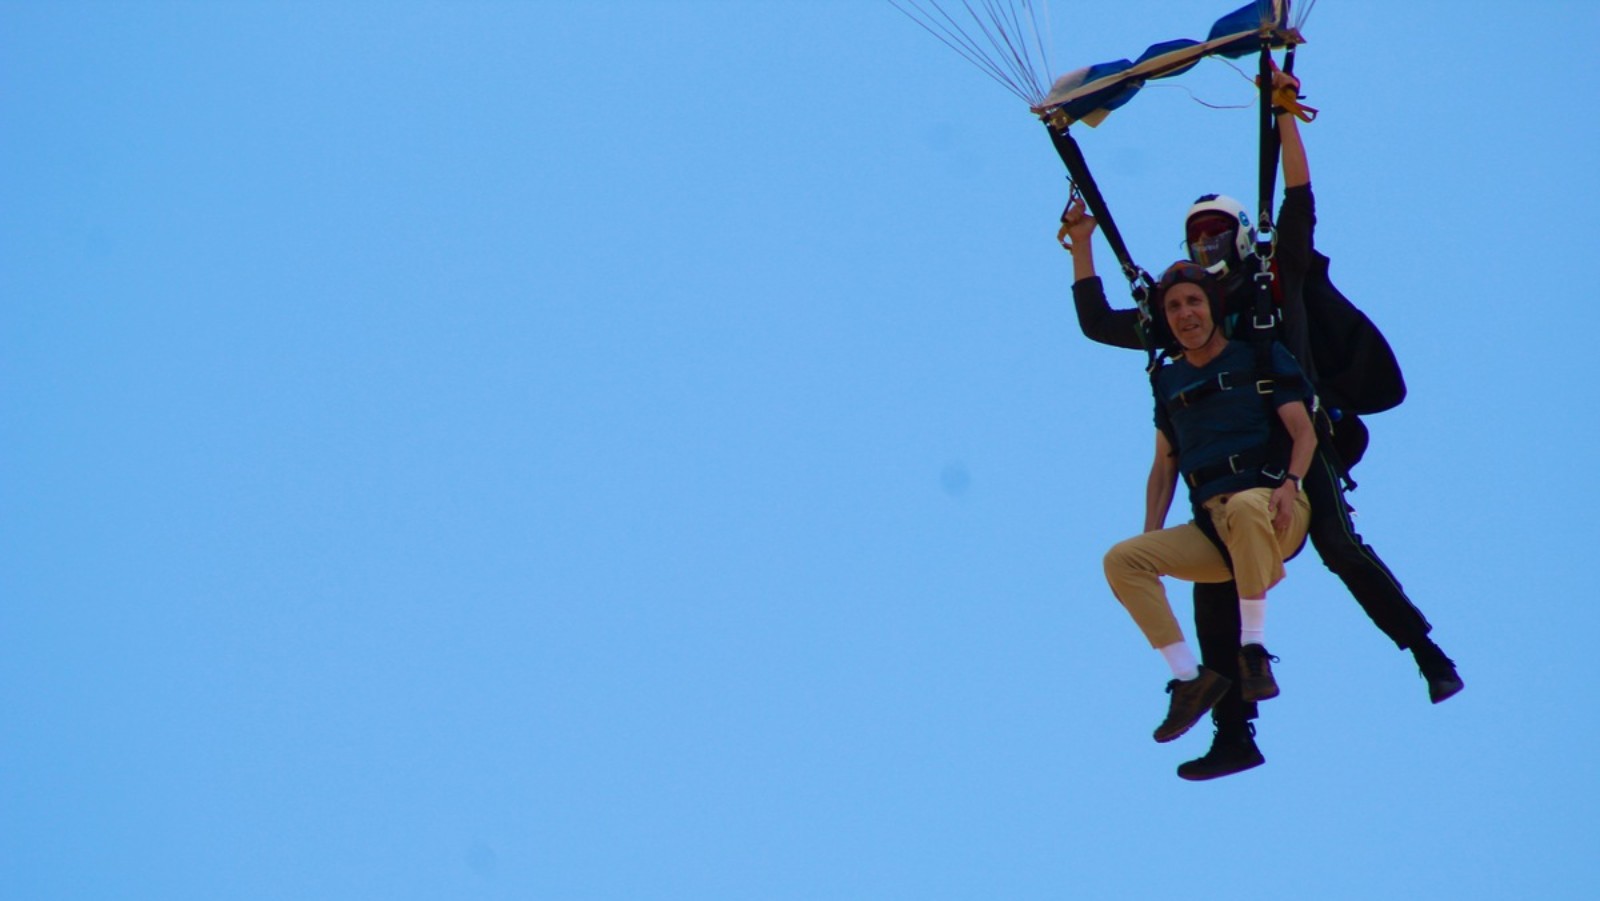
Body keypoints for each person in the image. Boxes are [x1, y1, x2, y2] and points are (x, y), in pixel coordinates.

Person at [1063, 66, 1462, 780]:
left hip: (1301, 444)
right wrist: (1083, 243)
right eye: (1197, 239)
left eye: (1219, 235)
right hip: (1226, 472)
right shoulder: (1185, 314)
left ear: (1241, 238)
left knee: (1341, 548)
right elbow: (1099, 322)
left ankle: (1427, 653)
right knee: (1209, 590)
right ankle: (1234, 733)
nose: (1210, 251)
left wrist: (1282, 114)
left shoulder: (1274, 285)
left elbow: (1301, 204)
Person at [1103, 261, 1317, 745]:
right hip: (1214, 529)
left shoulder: (1258, 358)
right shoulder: (1168, 381)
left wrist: (1291, 484)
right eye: (1174, 306)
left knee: (1244, 507)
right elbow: (1164, 468)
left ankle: (1255, 651)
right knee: (1123, 559)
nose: (1185, 314)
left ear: (1214, 309)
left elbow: (1303, 432)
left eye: (1194, 302)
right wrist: (1150, 534)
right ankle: (1188, 678)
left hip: (1276, 511)